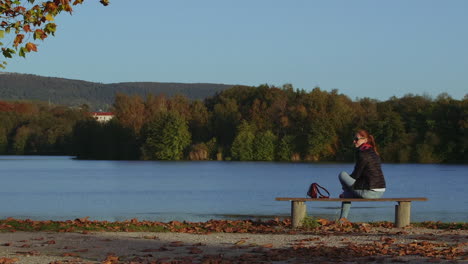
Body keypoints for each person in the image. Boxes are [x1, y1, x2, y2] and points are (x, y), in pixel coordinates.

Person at [338, 129, 386, 219]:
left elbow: (356, 175)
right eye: (354, 139)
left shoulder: (363, 154)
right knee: (347, 195)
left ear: (365, 140)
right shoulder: (374, 152)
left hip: (369, 192)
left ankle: (342, 220)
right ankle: (342, 220)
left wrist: (346, 185)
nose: (354, 141)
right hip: (381, 191)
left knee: (342, 174)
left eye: (357, 139)